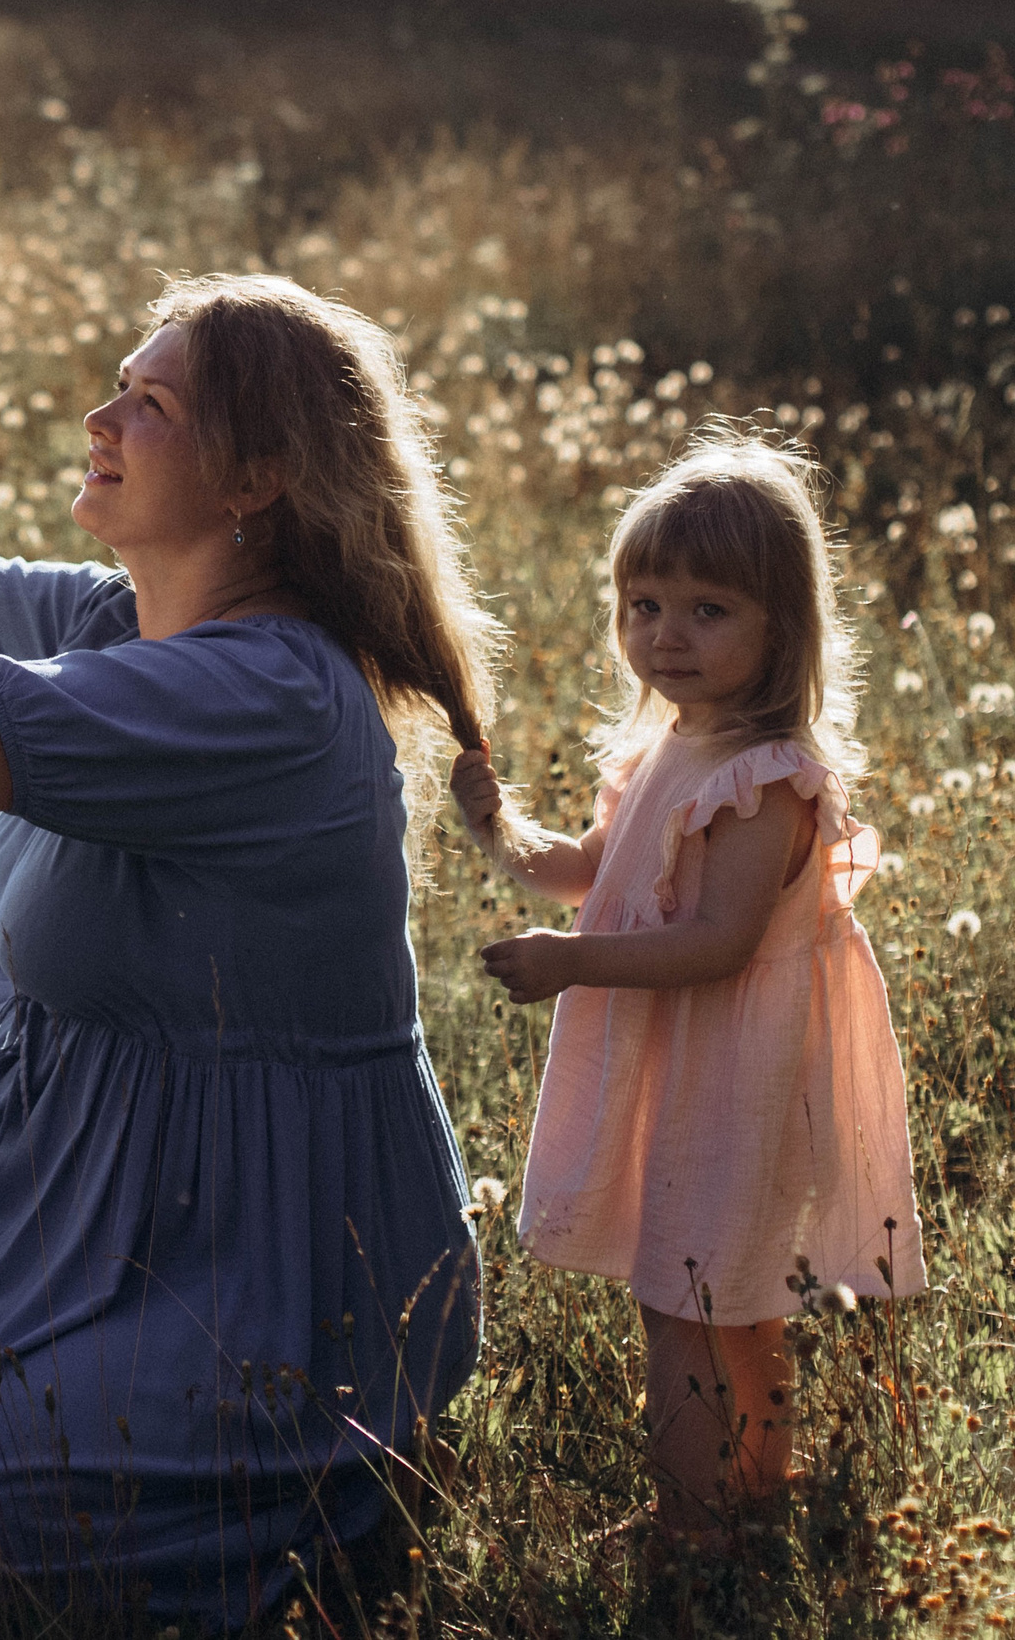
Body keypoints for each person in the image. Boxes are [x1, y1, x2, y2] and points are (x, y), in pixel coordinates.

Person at [0, 269, 486, 1625]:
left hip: (243, 1249)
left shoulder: (264, 695)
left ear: (256, 478)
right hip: (73, 1124)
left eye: (151, 403)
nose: (100, 415)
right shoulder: (128, 618)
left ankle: (292, 1471)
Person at [454, 431, 925, 1539]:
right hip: (689, 1058)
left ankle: (701, 1523)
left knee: (693, 1297)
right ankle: (742, 1499)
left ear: (782, 630)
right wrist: (500, 832)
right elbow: (593, 874)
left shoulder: (762, 783)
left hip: (738, 1064)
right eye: (644, 603)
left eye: (707, 610)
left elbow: (716, 943)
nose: (665, 634)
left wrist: (571, 967)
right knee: (708, 1288)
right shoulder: (668, 747)